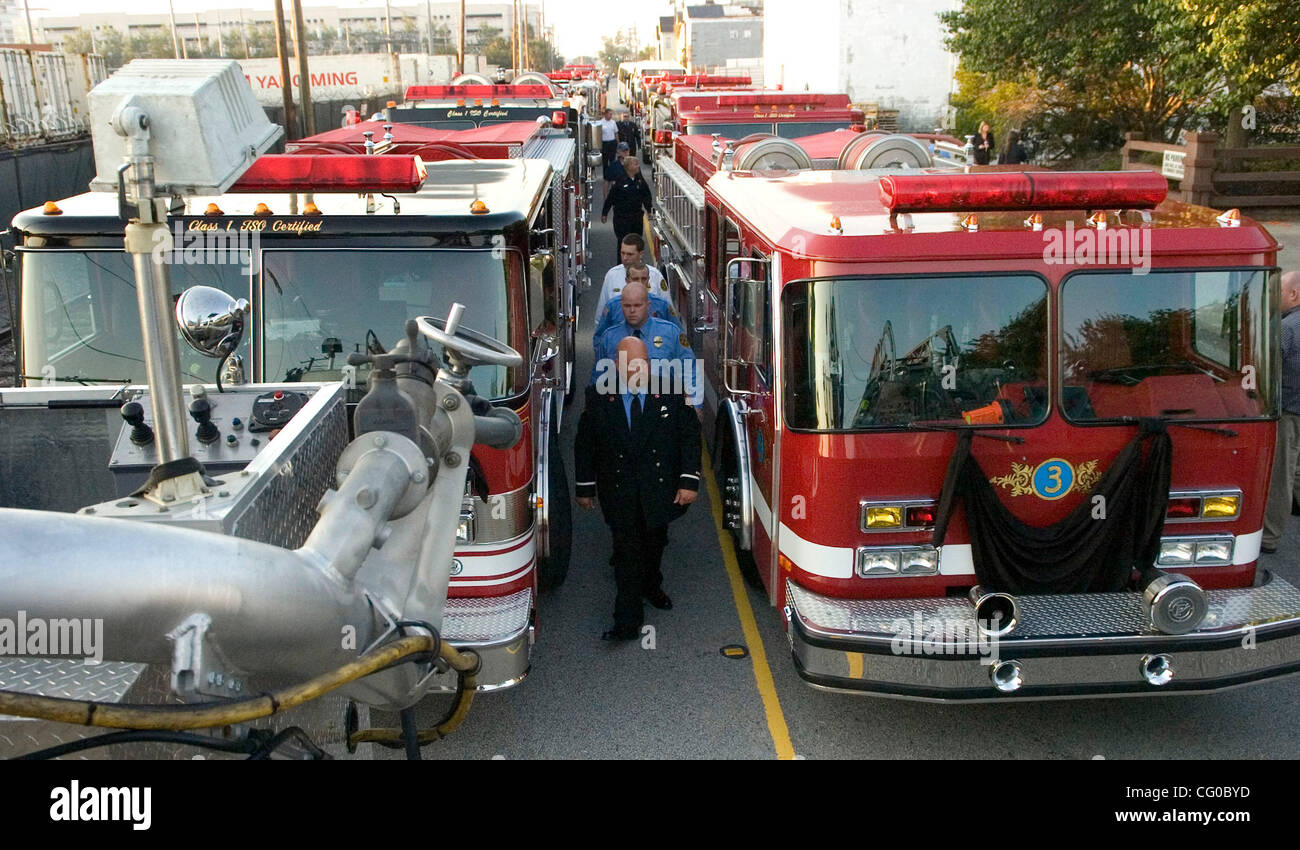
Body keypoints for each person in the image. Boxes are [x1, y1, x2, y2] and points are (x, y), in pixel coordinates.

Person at [575, 335, 701, 641]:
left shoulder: (669, 392)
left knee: (655, 543)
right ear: (617, 365)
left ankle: (652, 586)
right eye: (630, 363)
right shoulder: (597, 397)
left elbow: (689, 437)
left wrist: (689, 481)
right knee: (627, 552)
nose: (638, 368)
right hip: (620, 493)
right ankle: (627, 622)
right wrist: (585, 488)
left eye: (643, 362)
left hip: (659, 491)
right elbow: (585, 445)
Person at [1263, 270, 1300, 554]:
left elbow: (1269, 369)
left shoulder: (1287, 328)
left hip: (1288, 409)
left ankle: (1270, 536)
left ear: (1294, 294)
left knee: (1280, 475)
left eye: (1278, 292)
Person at [594, 263, 680, 339]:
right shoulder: (612, 306)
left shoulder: (662, 305)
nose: (640, 282)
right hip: (622, 355)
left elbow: (678, 334)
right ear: (627, 280)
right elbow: (599, 337)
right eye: (635, 279)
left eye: (644, 279)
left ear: (648, 280)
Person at [596, 233, 666, 319]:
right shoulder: (611, 276)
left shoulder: (656, 276)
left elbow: (667, 311)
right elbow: (601, 313)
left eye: (629, 254)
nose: (625, 258)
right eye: (622, 253)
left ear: (640, 254)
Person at [602, 156, 653, 246]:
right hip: (622, 219)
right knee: (624, 243)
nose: (638, 166)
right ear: (629, 167)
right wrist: (604, 213)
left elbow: (646, 196)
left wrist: (649, 211)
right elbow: (610, 198)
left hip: (636, 218)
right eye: (636, 164)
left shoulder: (640, 181)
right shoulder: (620, 181)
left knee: (636, 243)